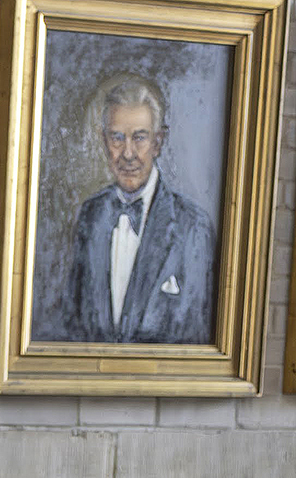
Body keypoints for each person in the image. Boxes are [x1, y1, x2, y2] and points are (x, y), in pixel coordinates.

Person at [56, 76, 215, 344]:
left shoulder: (193, 227)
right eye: (117, 138)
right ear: (104, 141)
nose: (128, 154)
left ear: (158, 142)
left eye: (139, 138)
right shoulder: (90, 215)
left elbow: (197, 335)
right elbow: (73, 321)